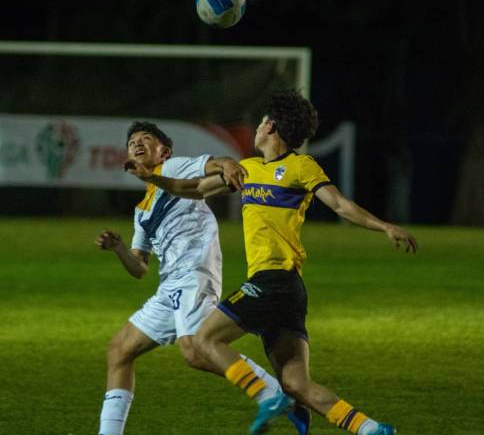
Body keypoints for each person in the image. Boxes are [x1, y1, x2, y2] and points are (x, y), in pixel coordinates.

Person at [124, 91, 417, 435]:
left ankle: (269, 398)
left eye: (262, 122)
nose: (257, 127)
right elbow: (191, 189)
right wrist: (151, 177)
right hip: (287, 292)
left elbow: (340, 204)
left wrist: (384, 226)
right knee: (297, 384)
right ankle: (372, 429)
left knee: (203, 341)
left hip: (274, 281)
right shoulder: (247, 170)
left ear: (271, 127)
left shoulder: (300, 166)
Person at [96, 121, 308, 435]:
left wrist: (229, 164)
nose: (137, 144)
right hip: (169, 288)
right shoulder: (142, 211)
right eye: (131, 142)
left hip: (194, 274)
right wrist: (119, 249)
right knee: (120, 350)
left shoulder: (175, 168)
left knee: (195, 349)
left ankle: (271, 393)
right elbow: (140, 268)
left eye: (146, 139)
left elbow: (217, 163)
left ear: (164, 151)